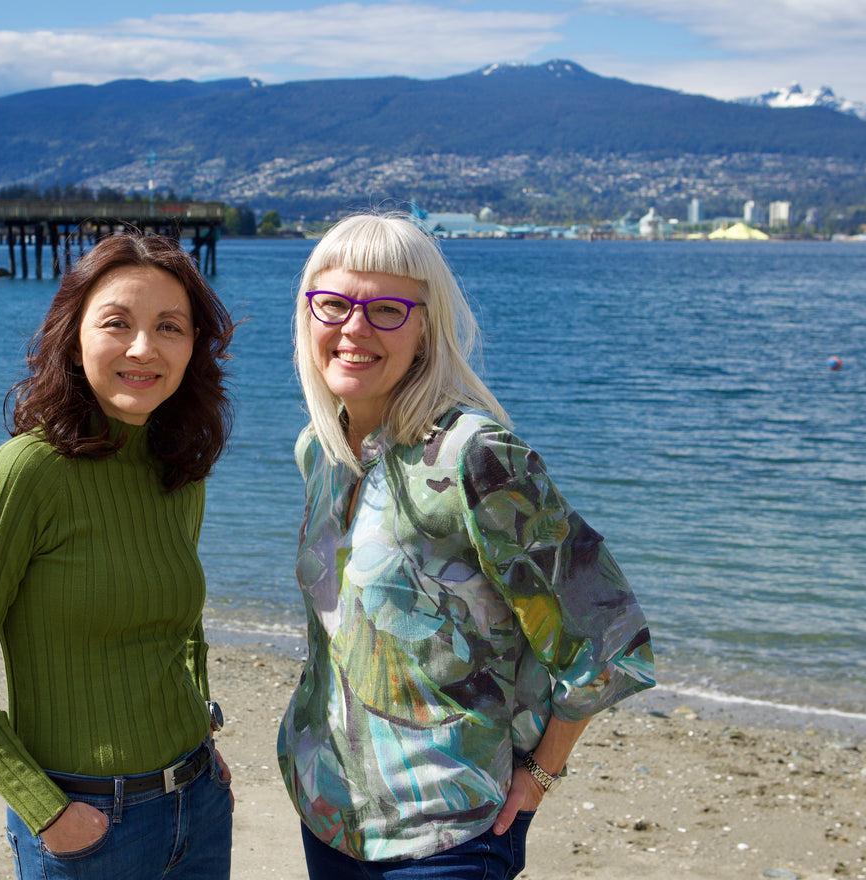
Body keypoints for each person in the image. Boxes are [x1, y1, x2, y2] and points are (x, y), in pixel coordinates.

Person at [277, 213, 655, 879]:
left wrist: (540, 773)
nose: (354, 329)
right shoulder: (322, 451)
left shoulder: (472, 456)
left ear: (424, 328)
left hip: (448, 837)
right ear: (307, 314)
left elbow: (607, 635)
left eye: (386, 309)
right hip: (330, 816)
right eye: (334, 304)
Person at [0, 232, 236, 879]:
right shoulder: (24, 474)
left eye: (170, 327)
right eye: (117, 323)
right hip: (89, 828)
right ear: (73, 336)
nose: (143, 348)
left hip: (199, 806)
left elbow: (181, 625)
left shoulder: (177, 468)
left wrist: (203, 735)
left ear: (193, 347)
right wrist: (47, 813)